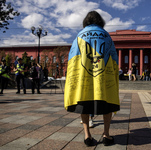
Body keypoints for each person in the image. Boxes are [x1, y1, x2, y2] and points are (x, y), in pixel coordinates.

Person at [64, 11, 120, 147]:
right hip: (103, 77)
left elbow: (72, 59)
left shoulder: (79, 36)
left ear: (85, 22)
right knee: (107, 102)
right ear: (100, 21)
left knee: (84, 103)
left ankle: (87, 136)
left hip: (84, 77)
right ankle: (106, 135)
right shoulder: (106, 36)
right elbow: (114, 58)